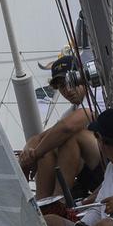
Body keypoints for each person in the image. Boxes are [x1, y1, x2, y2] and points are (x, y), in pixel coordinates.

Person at [17, 54, 104, 210]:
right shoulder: (71, 112)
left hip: (110, 165)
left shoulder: (97, 95)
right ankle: (43, 202)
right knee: (49, 143)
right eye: (62, 86)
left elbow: (67, 127)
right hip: (92, 171)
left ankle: (59, 202)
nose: (67, 90)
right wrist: (27, 156)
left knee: (70, 136)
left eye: (71, 82)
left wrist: (35, 155)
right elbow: (40, 138)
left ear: (81, 77)